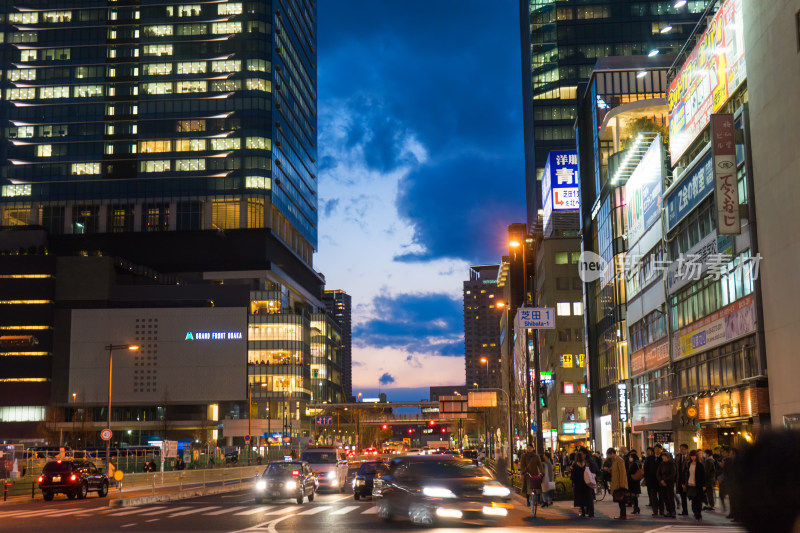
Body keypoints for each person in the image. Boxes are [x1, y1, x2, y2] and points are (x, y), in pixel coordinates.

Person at [681, 449, 706, 521]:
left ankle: (698, 513)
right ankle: (695, 513)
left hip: (698, 485)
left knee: (698, 500)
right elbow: (685, 474)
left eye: (694, 456)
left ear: (696, 456)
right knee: (693, 500)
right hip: (690, 484)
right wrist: (683, 483)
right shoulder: (688, 464)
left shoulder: (700, 465)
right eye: (691, 456)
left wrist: (704, 485)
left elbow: (703, 476)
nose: (693, 458)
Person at [570, 451, 594, 518]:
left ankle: (583, 512)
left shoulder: (575, 465)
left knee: (581, 499)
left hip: (579, 485)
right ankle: (590, 513)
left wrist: (574, 483)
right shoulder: (586, 464)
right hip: (586, 484)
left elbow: (573, 477)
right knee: (588, 498)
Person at [608, 448, 629, 520]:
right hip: (616, 482)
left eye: (609, 454)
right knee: (619, 500)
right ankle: (622, 515)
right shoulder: (614, 461)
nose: (608, 456)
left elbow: (623, 472)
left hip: (620, 483)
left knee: (622, 499)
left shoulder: (619, 460)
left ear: (613, 453)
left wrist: (622, 482)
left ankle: (623, 515)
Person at [657, 450, 678, 518]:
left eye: (664, 457)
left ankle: (672, 511)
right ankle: (668, 511)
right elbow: (658, 473)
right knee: (665, 498)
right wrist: (661, 480)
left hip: (669, 483)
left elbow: (672, 474)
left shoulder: (672, 464)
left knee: (670, 497)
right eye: (662, 457)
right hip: (662, 484)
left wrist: (665, 480)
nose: (663, 458)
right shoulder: (661, 464)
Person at [644, 446, 661, 516]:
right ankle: (655, 510)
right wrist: (647, 479)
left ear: (661, 449)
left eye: (658, 449)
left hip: (661, 480)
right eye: (655, 449)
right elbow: (646, 469)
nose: (656, 450)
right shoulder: (650, 458)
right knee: (653, 497)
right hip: (652, 480)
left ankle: (662, 510)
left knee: (662, 496)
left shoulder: (663, 457)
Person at [676, 443, 690, 515]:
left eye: (683, 449)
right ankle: (685, 511)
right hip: (680, 480)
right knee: (682, 496)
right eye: (680, 449)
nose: (681, 450)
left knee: (692, 496)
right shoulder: (678, 457)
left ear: (686, 450)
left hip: (688, 480)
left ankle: (697, 511)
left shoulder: (690, 457)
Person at [627, 450, 642, 515]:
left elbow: (631, 471)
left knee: (634, 496)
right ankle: (636, 508)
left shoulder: (634, 463)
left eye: (630, 457)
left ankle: (636, 508)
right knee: (634, 496)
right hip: (636, 481)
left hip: (633, 481)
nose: (629, 458)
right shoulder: (638, 462)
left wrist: (628, 471)